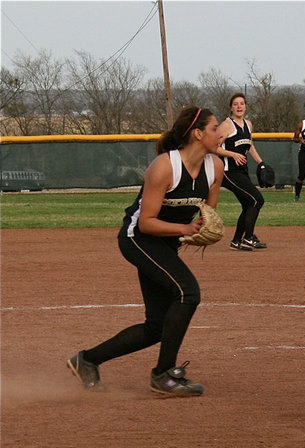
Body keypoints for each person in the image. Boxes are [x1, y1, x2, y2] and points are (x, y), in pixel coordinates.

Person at [67, 106, 224, 397]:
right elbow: (148, 223)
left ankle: (87, 360)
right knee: (187, 292)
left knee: (157, 326)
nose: (221, 133)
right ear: (199, 133)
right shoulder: (164, 167)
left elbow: (206, 214)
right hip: (138, 238)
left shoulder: (216, 168)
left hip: (166, 243)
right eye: (215, 128)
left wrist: (201, 229)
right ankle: (164, 374)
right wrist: (185, 230)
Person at [217, 93, 268, 251]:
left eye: (242, 104)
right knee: (256, 200)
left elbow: (249, 144)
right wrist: (232, 154)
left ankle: (237, 241)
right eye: (235, 104)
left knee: (248, 204)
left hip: (241, 171)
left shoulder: (248, 124)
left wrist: (261, 163)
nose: (239, 107)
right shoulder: (226, 125)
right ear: (231, 108)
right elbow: (212, 147)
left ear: (245, 106)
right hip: (228, 172)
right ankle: (248, 237)